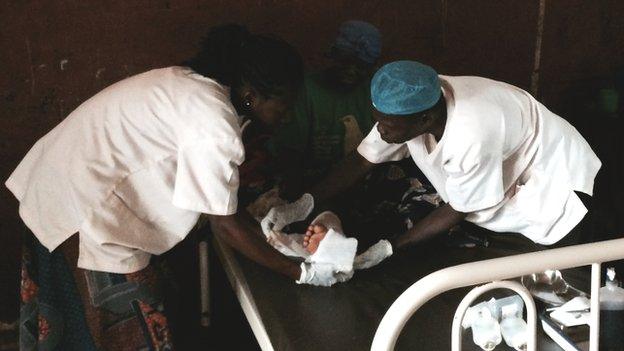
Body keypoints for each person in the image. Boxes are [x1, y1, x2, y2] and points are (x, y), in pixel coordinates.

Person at [6, 24, 346, 351]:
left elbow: (221, 207)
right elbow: (224, 225)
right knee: (115, 325)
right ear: (252, 95)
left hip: (65, 191)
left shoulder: (196, 88)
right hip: (80, 211)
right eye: (284, 104)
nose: (288, 115)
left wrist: (266, 234)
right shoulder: (214, 122)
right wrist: (302, 272)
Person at [309, 60, 602, 253]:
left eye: (387, 125)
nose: (381, 132)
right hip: (502, 175)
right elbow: (363, 159)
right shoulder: (413, 104)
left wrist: (390, 248)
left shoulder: (471, 130)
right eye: (378, 121)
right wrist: (304, 201)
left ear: (424, 121)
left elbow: (459, 207)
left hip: (554, 186)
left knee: (568, 278)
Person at [272, 20, 382, 199]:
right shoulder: (307, 89)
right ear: (332, 56)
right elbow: (290, 153)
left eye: (361, 66)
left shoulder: (376, 90)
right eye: (345, 62)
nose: (351, 71)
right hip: (315, 178)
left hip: (365, 175)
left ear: (372, 67)